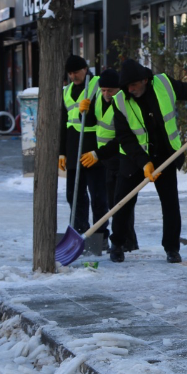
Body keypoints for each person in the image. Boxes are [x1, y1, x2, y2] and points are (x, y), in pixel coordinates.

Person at [80, 58, 187, 264]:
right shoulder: (120, 100)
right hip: (133, 158)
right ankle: (118, 243)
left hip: (165, 155)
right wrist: (144, 163)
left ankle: (172, 248)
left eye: (133, 85)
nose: (130, 90)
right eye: (126, 86)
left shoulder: (164, 84)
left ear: (144, 80)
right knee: (122, 202)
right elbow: (125, 138)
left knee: (170, 204)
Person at [75, 67, 138, 253]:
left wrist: (99, 154)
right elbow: (91, 122)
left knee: (123, 200)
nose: (106, 94)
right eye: (103, 90)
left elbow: (123, 135)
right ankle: (125, 240)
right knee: (113, 202)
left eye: (110, 90)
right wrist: (82, 112)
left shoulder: (125, 104)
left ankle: (128, 241)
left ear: (118, 89)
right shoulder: (98, 101)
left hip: (122, 156)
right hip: (106, 159)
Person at [58, 55, 109, 241]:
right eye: (70, 73)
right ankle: (81, 231)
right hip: (73, 149)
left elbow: (106, 112)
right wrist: (61, 152)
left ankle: (100, 235)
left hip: (93, 148)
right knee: (73, 195)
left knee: (98, 197)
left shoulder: (97, 85)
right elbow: (63, 123)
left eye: (76, 72)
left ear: (85, 69)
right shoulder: (66, 91)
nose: (73, 76)